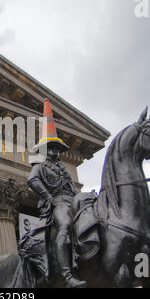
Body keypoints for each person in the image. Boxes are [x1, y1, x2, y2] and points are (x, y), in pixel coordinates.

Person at [27, 98, 87, 288]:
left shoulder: (63, 169)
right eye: (51, 148)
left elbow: (73, 188)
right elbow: (32, 180)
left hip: (72, 201)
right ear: (44, 150)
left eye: (56, 149)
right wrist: (49, 197)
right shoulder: (40, 166)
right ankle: (67, 275)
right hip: (58, 203)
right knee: (65, 225)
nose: (54, 152)